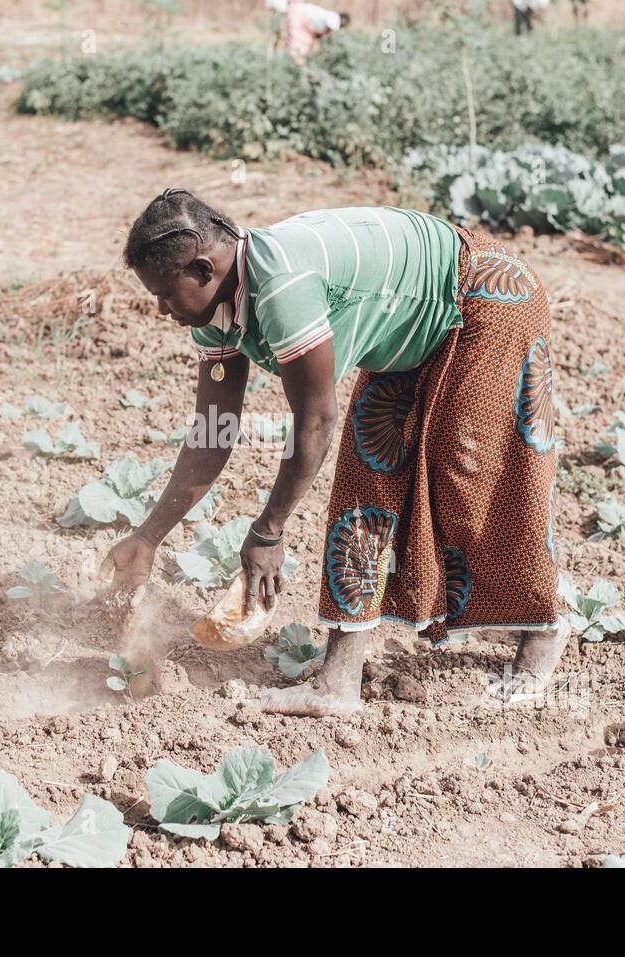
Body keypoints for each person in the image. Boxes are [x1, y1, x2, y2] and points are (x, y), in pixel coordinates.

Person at [103, 189, 568, 718]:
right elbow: (214, 429)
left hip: (484, 300)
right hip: (410, 333)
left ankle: (542, 637)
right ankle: (338, 684)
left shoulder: (281, 286)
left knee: (474, 479)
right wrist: (148, 536)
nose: (162, 310)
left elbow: (317, 419)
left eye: (165, 294)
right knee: (366, 486)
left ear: (204, 267)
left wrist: (268, 530)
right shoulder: (215, 309)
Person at [284, 2, 350, 65]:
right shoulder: (334, 19)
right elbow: (327, 28)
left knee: (304, 48)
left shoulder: (330, 18)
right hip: (299, 17)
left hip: (303, 20)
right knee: (297, 47)